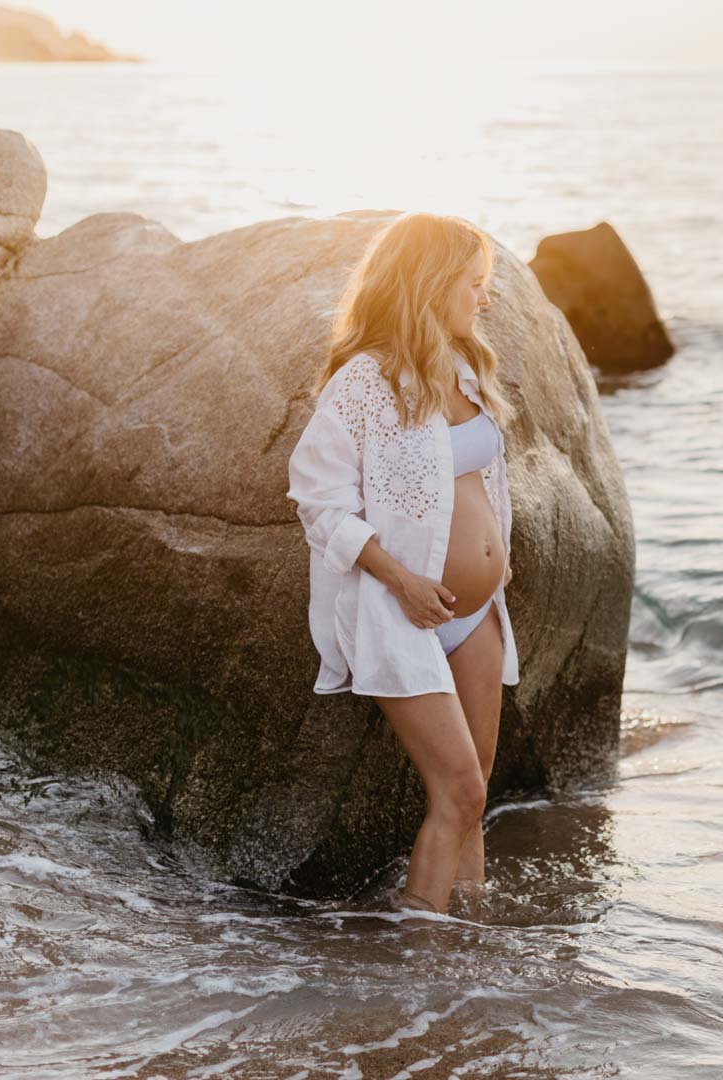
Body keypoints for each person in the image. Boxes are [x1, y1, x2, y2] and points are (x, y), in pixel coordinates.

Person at [285, 212, 520, 918]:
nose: (483, 300)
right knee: (460, 793)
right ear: (432, 282)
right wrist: (403, 579)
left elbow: (481, 483)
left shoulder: (465, 368)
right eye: (472, 284)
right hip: (401, 612)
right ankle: (419, 968)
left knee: (475, 788)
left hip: (475, 613)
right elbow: (318, 504)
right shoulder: (364, 382)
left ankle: (471, 942)